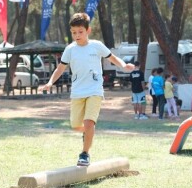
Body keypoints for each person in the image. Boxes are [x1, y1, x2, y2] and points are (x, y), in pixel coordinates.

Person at [40, 13, 134, 166]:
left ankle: (84, 154)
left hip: (95, 90)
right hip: (77, 92)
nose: (77, 35)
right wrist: (50, 82)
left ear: (88, 30)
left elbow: (112, 57)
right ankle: (87, 134)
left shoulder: (96, 46)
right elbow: (60, 68)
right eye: (74, 32)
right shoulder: (70, 49)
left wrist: (123, 65)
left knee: (89, 123)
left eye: (80, 31)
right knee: (76, 125)